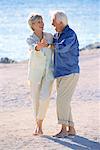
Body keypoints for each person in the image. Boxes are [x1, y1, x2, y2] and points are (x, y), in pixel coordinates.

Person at [52, 11, 80, 138]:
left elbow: (62, 47)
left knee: (61, 100)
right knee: (65, 101)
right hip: (60, 73)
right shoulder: (57, 34)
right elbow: (50, 42)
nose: (52, 24)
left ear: (61, 22)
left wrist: (50, 45)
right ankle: (71, 129)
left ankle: (63, 129)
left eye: (54, 21)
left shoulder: (70, 34)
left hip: (70, 72)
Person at [27, 13, 54, 135]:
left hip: (48, 72)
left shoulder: (49, 36)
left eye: (42, 21)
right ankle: (39, 126)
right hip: (35, 74)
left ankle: (39, 125)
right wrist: (39, 46)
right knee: (36, 100)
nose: (42, 24)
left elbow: (55, 46)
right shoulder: (30, 39)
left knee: (45, 98)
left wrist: (48, 45)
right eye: (39, 22)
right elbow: (34, 47)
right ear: (33, 25)